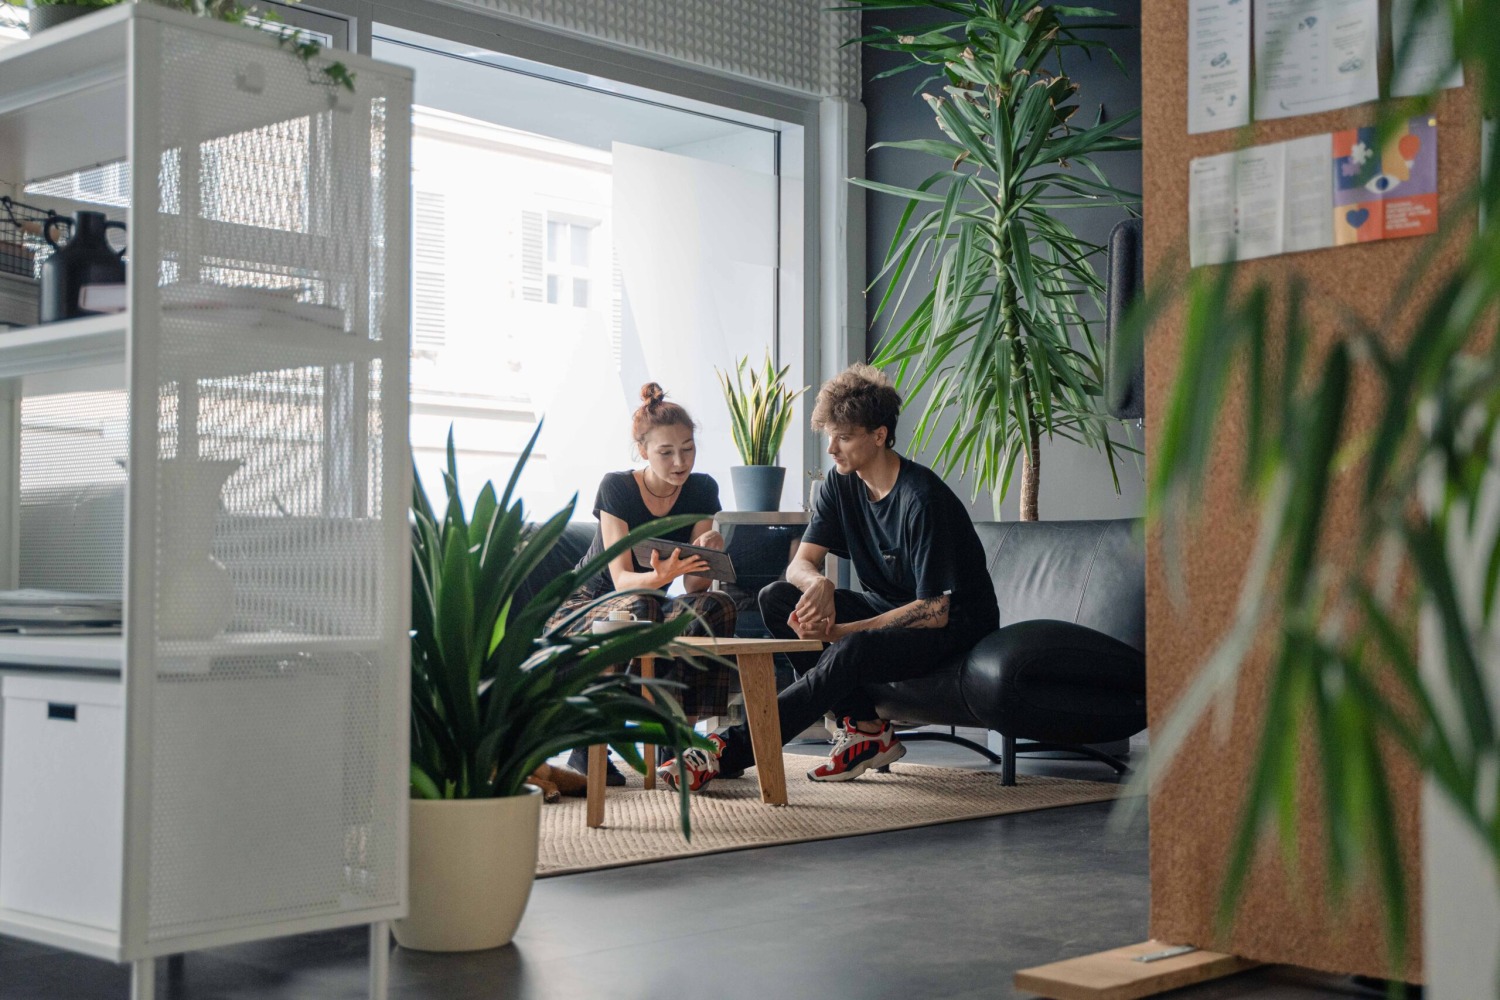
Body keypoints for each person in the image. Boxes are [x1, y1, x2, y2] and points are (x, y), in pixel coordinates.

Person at [657, 364, 998, 790]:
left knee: (850, 645)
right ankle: (864, 728)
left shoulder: (921, 499)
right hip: (888, 609)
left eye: (845, 437)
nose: (832, 449)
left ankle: (727, 750)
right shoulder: (840, 483)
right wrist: (818, 583)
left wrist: (843, 630)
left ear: (879, 435)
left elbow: (934, 610)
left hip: (952, 625)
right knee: (777, 598)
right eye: (828, 435)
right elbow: (801, 563)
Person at [547, 382, 738, 784]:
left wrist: (710, 550)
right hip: (586, 605)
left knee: (715, 608)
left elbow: (694, 589)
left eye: (687, 448)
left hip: (647, 602)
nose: (679, 461)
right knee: (641, 601)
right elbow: (620, 579)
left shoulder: (702, 489)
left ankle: (675, 738)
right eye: (666, 452)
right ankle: (588, 742)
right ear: (643, 451)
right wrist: (662, 576)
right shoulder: (616, 487)